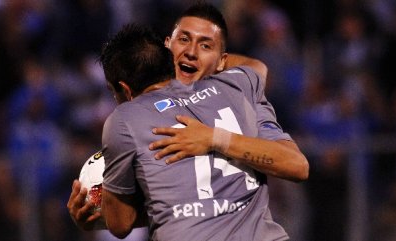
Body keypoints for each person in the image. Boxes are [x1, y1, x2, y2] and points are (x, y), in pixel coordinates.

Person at [67, 1, 308, 237]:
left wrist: (214, 139)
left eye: (205, 46)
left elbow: (297, 165)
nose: (191, 52)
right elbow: (255, 67)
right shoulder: (242, 83)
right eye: (183, 40)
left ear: (223, 62)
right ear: (166, 47)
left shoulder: (237, 87)